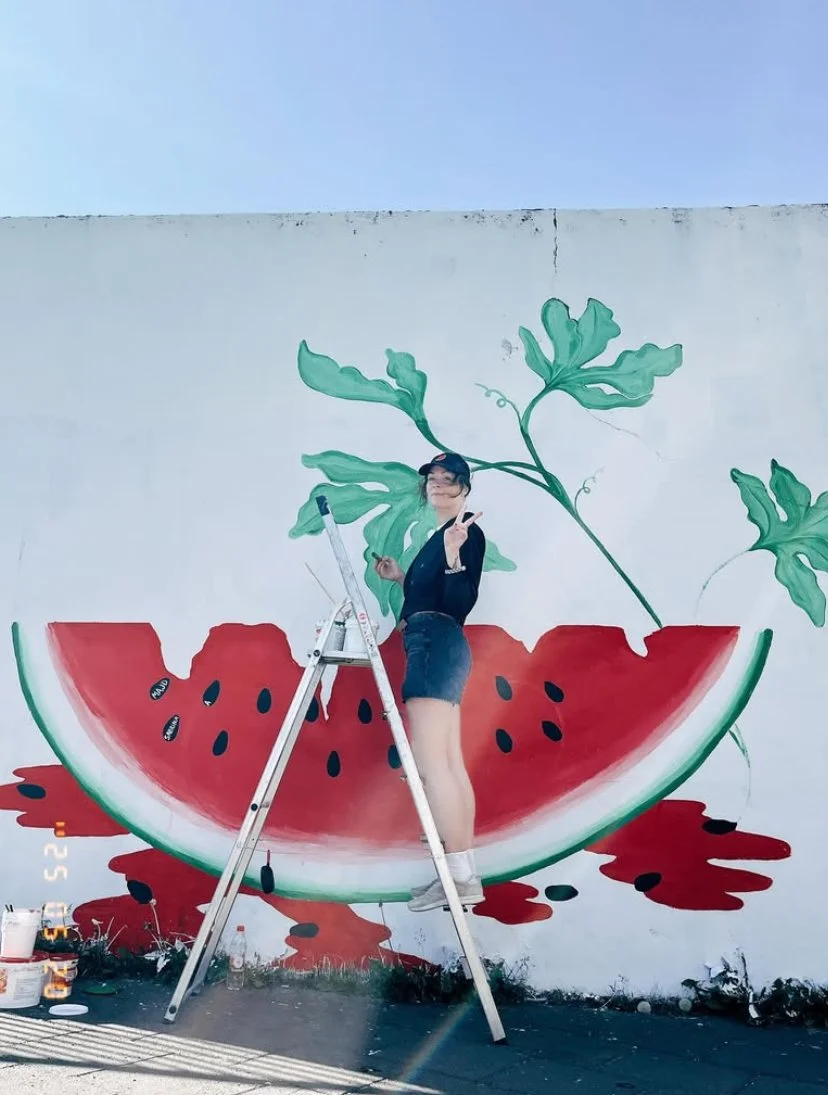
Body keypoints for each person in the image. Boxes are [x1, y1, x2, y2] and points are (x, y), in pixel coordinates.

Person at [373, 452, 486, 912]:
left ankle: (459, 877)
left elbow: (460, 600)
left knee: (431, 764)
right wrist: (403, 579)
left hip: (435, 643)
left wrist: (457, 555)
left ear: (464, 486)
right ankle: (460, 876)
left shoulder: (464, 534)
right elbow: (431, 597)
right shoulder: (439, 537)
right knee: (449, 763)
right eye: (432, 479)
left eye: (448, 478)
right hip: (439, 643)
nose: (438, 485)